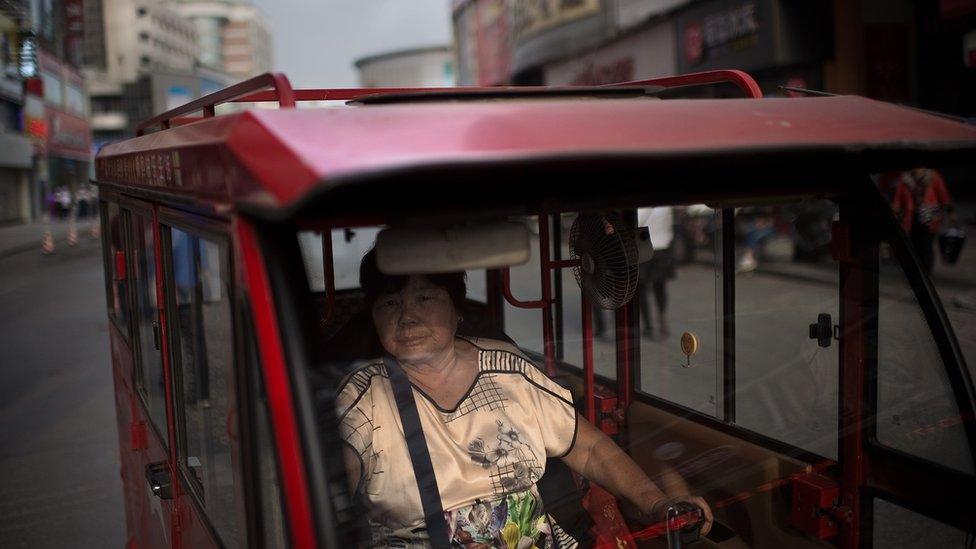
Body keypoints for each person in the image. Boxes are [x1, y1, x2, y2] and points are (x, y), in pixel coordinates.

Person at [337, 250, 712, 548]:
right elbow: (325, 498)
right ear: (373, 316)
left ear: (455, 308)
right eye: (390, 303)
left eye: (424, 297)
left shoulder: (509, 369)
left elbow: (589, 448)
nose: (408, 317)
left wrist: (656, 504)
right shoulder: (361, 400)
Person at [891, 167, 954, 274]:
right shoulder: (906, 178)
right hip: (912, 215)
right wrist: (895, 210)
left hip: (929, 213)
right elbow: (898, 196)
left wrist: (950, 211)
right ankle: (918, 269)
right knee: (915, 243)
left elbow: (942, 193)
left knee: (927, 243)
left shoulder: (932, 176)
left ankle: (926, 270)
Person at [637, 207, 676, 339]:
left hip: (644, 249)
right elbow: (670, 227)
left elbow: (636, 223)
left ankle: (648, 326)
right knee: (660, 288)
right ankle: (662, 318)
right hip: (663, 249)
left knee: (642, 290)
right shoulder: (666, 205)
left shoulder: (639, 207)